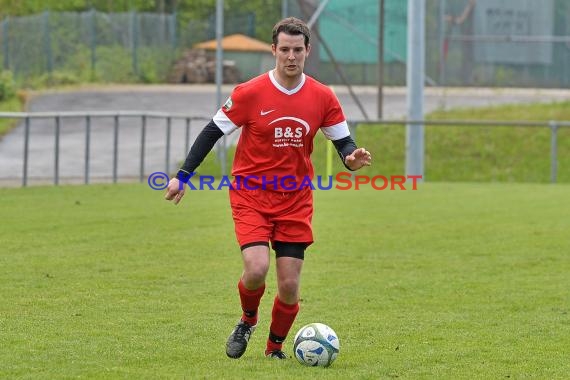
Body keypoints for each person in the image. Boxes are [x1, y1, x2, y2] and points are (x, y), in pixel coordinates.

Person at [164, 17, 372, 360]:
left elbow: (344, 145)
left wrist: (353, 158)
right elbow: (212, 132)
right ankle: (248, 319)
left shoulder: (322, 97)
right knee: (257, 268)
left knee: (289, 286)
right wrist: (183, 175)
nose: (291, 56)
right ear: (274, 51)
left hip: (295, 200)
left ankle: (274, 348)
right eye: (285, 50)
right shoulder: (250, 92)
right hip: (251, 195)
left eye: (298, 50)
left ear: (308, 51)